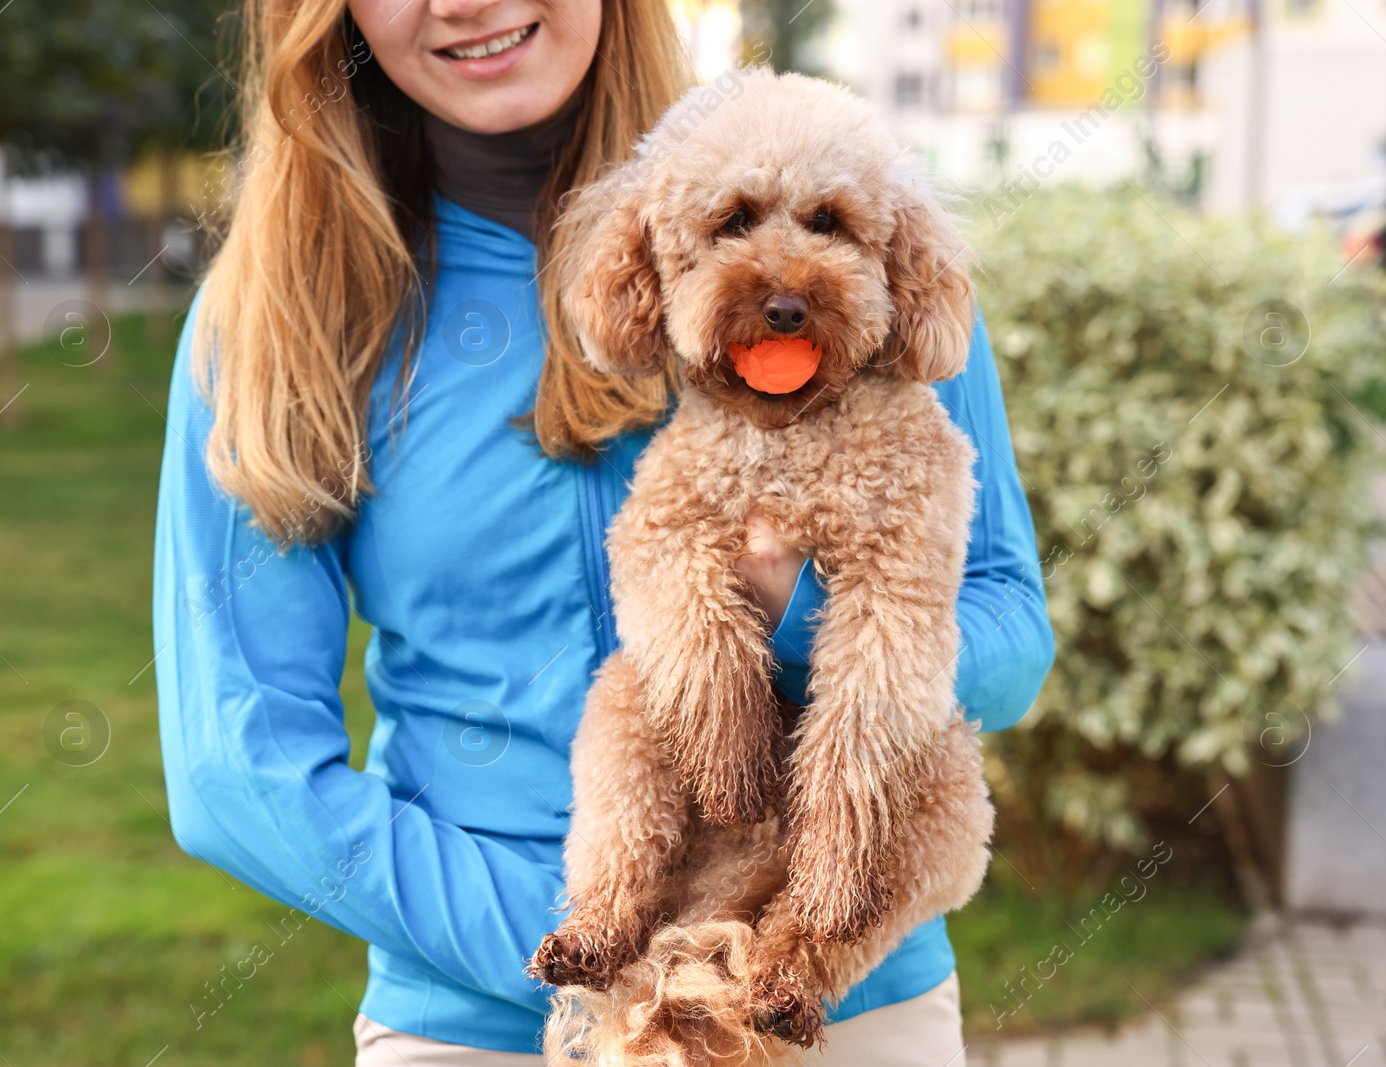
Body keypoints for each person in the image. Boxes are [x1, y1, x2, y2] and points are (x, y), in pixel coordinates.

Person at [152, 1, 1055, 1064]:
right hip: (491, 1020)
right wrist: (602, 948)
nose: (462, 3)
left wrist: (806, 622)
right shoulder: (273, 323)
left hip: (838, 1001)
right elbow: (237, 766)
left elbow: (1008, 637)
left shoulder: (844, 207)